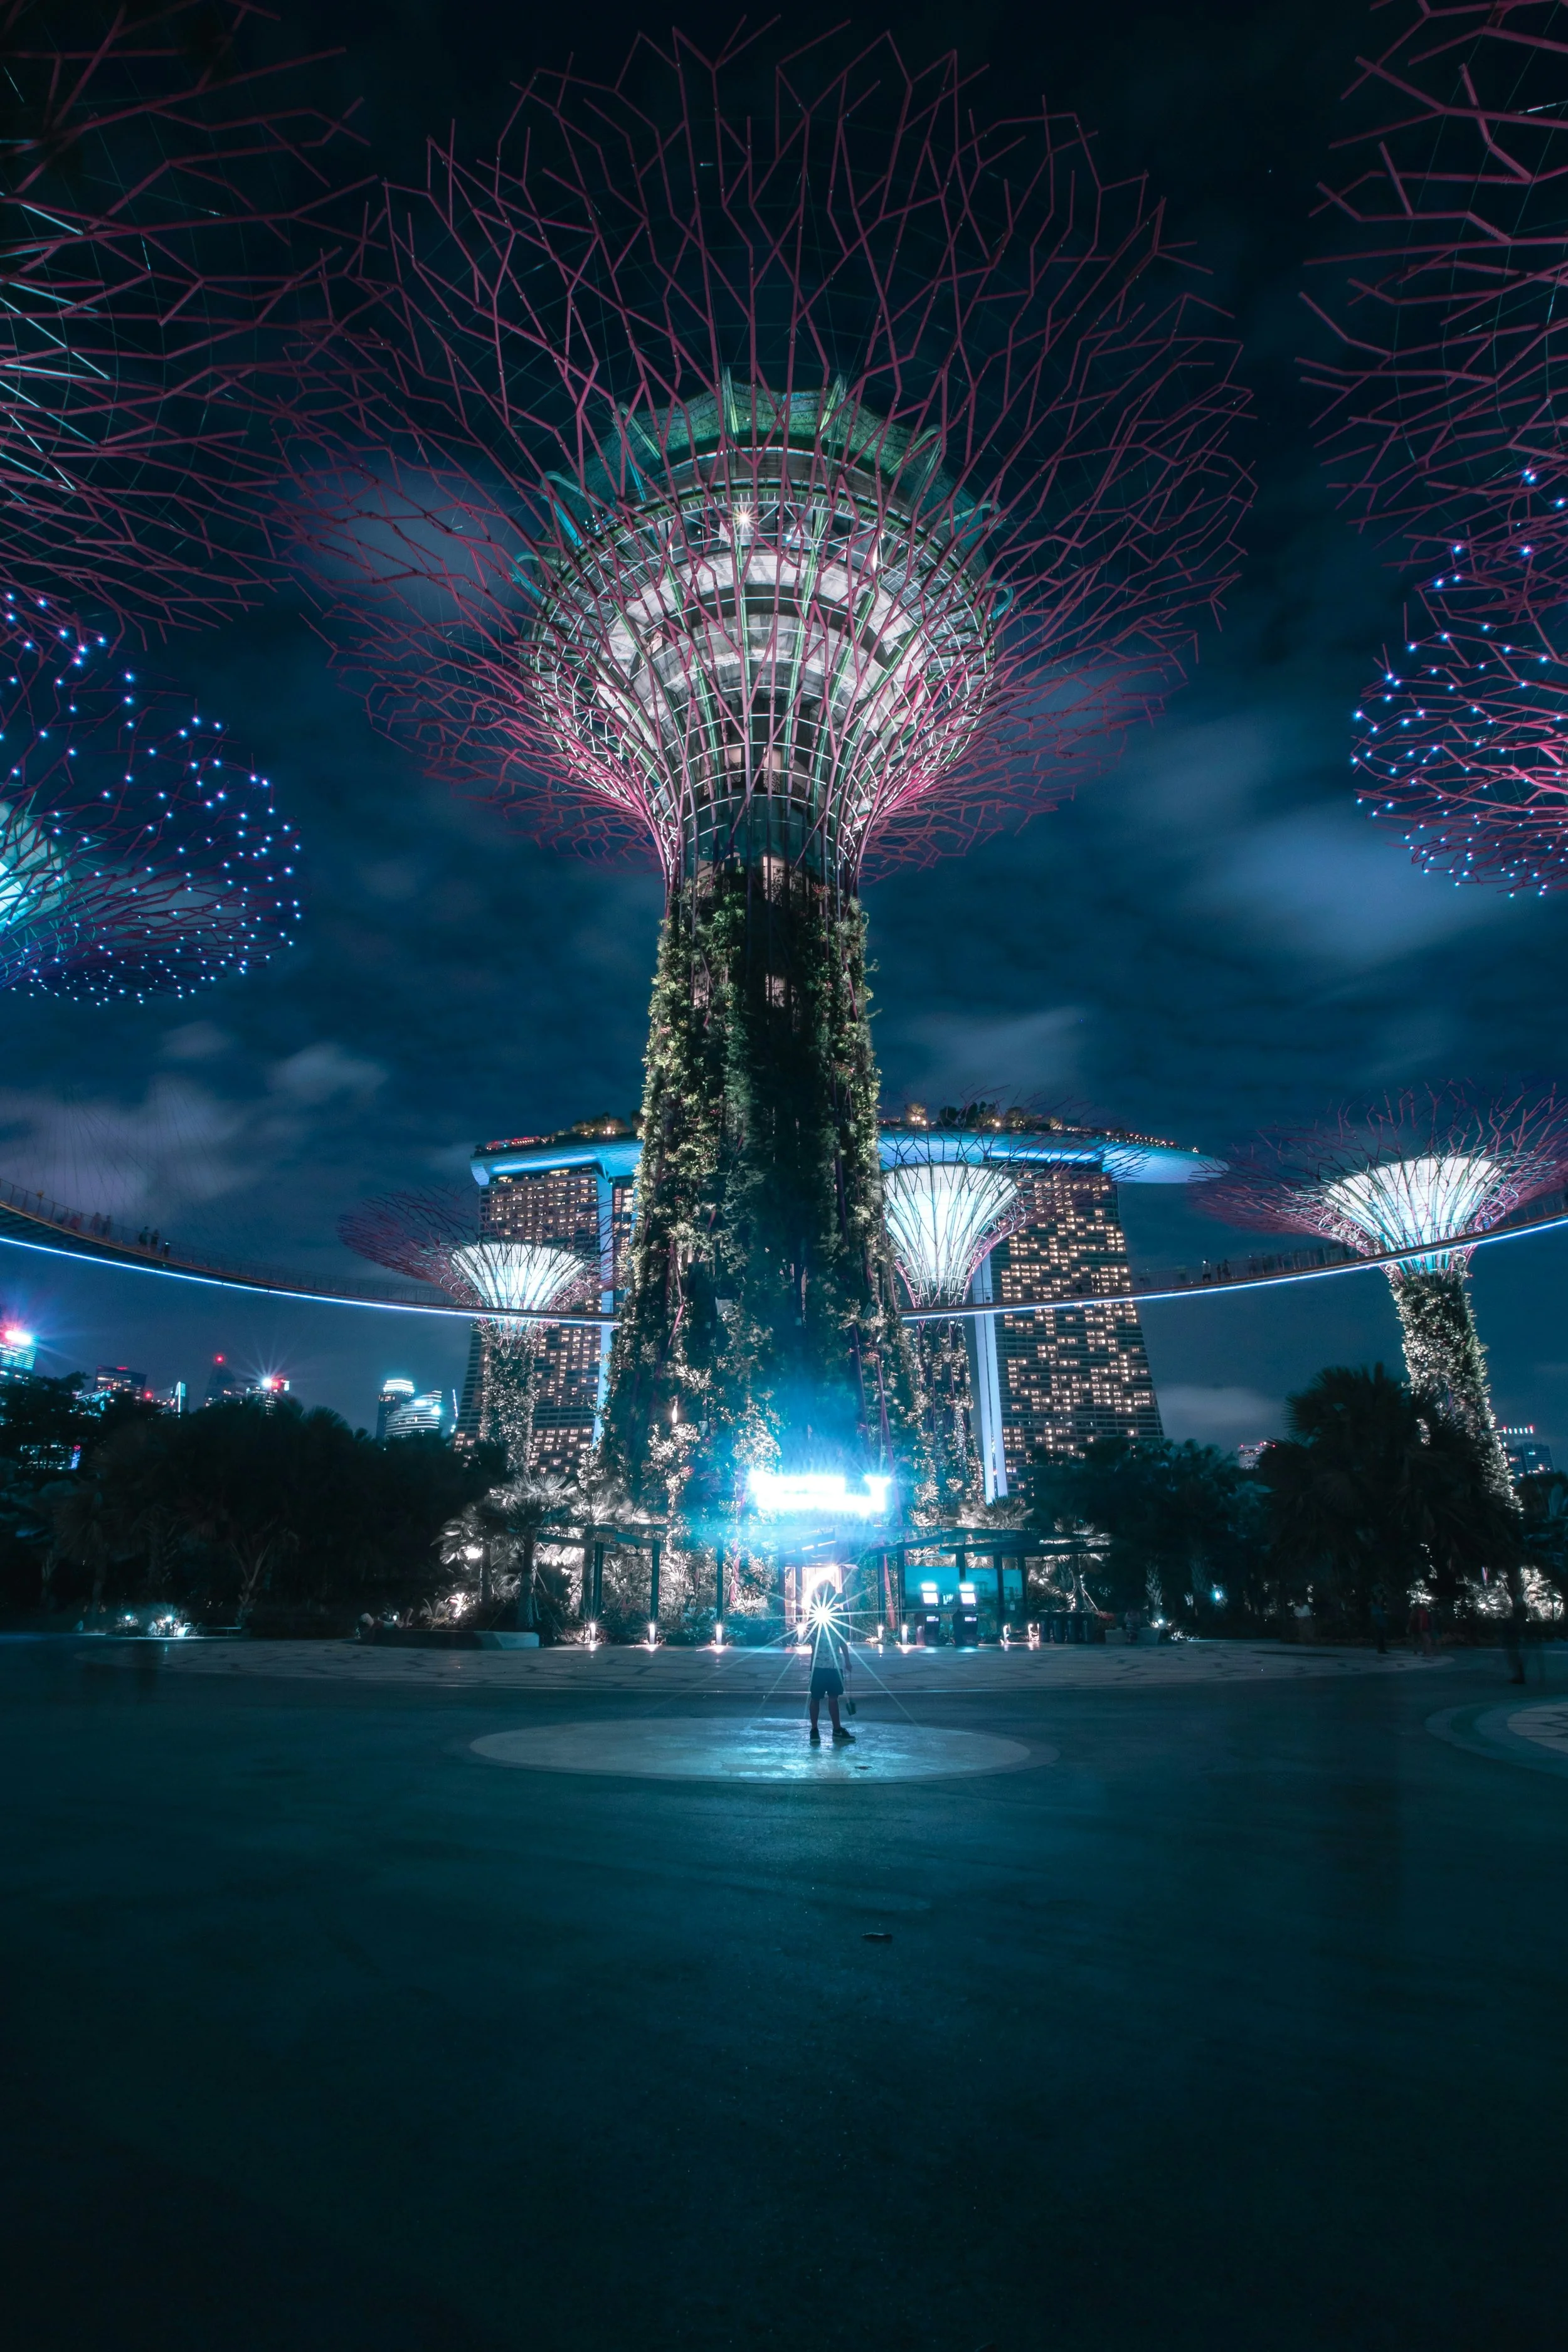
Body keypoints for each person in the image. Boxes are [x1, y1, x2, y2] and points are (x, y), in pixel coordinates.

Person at [808, 1603, 854, 1745]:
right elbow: (812, 1640)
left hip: (829, 1664)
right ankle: (818, 1729)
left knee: (829, 1697)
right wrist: (847, 1660)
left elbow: (841, 1640)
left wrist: (847, 1660)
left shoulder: (833, 1614)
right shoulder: (816, 1614)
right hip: (823, 1664)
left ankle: (834, 1729)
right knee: (820, 1698)